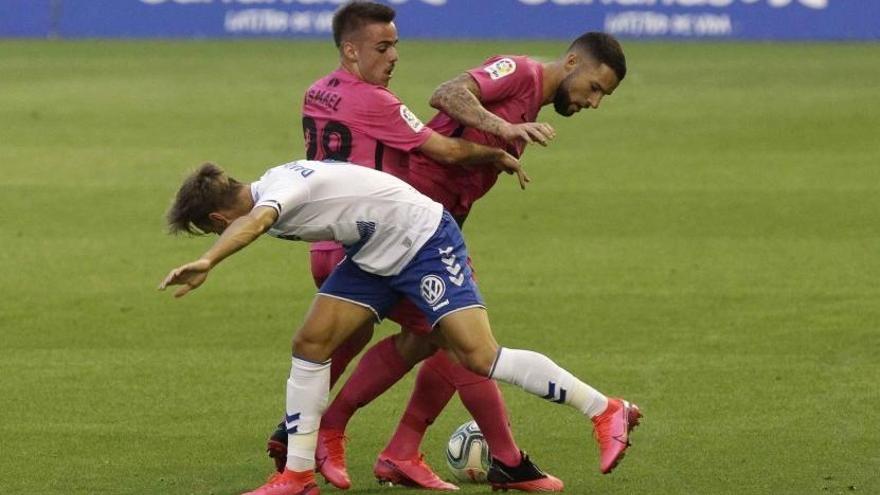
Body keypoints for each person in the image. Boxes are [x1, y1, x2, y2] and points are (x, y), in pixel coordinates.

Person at [282, 1, 631, 489]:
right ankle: (509, 454)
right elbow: (447, 93)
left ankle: (385, 446)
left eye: (603, 97)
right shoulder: (520, 72)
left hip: (433, 223)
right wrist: (502, 129)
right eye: (595, 88)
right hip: (411, 223)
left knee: (429, 338)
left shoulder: (532, 98)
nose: (594, 102)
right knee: (459, 340)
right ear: (572, 63)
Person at [159, 160, 641, 495]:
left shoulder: (275, 196)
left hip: (423, 238)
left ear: (219, 219)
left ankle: (605, 409)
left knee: (479, 356)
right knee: (311, 342)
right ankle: (298, 474)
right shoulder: (271, 182)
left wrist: (208, 259)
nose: (218, 234)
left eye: (212, 230)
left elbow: (258, 222)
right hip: (373, 252)